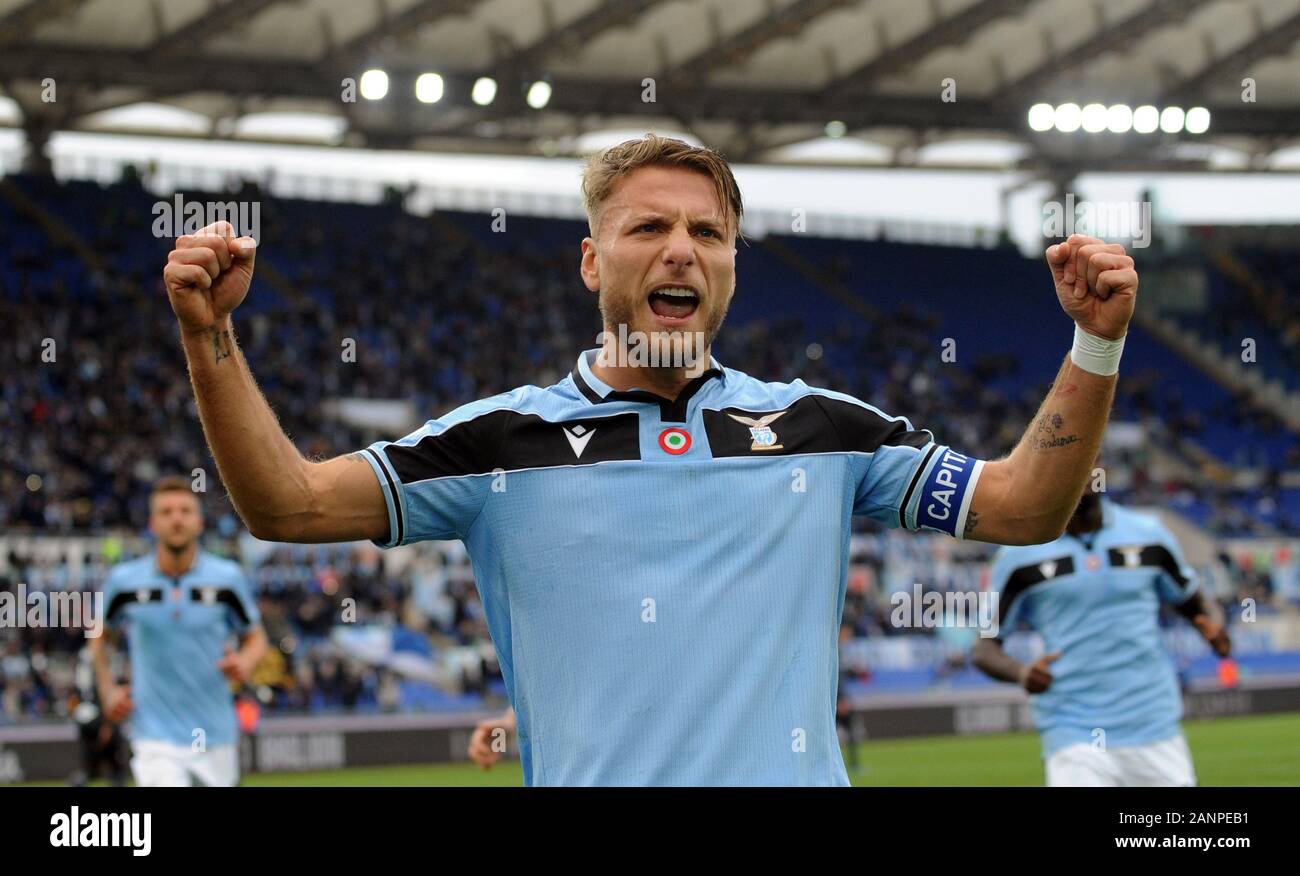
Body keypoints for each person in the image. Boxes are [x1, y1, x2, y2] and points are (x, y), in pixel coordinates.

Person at [163, 134, 1138, 785]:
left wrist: (1094, 343)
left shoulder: (822, 427)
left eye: (706, 232)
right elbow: (287, 506)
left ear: (730, 268)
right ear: (593, 262)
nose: (681, 250)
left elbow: (1021, 506)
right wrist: (210, 336)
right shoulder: (500, 442)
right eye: (649, 227)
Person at [972, 486, 1231, 786]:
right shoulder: (1016, 555)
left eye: (1093, 457)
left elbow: (1196, 602)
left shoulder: (1150, 534)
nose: (1085, 468)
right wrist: (1022, 672)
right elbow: (984, 648)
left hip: (1154, 723)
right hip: (1072, 728)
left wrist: (1215, 627)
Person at [90, 476, 268, 786]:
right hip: (154, 736)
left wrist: (245, 662)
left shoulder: (227, 579)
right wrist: (107, 691)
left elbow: (256, 636)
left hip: (215, 733)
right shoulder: (124, 582)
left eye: (185, 511)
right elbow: (98, 637)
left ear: (199, 522)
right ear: (152, 523)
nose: (176, 518)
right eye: (166, 511)